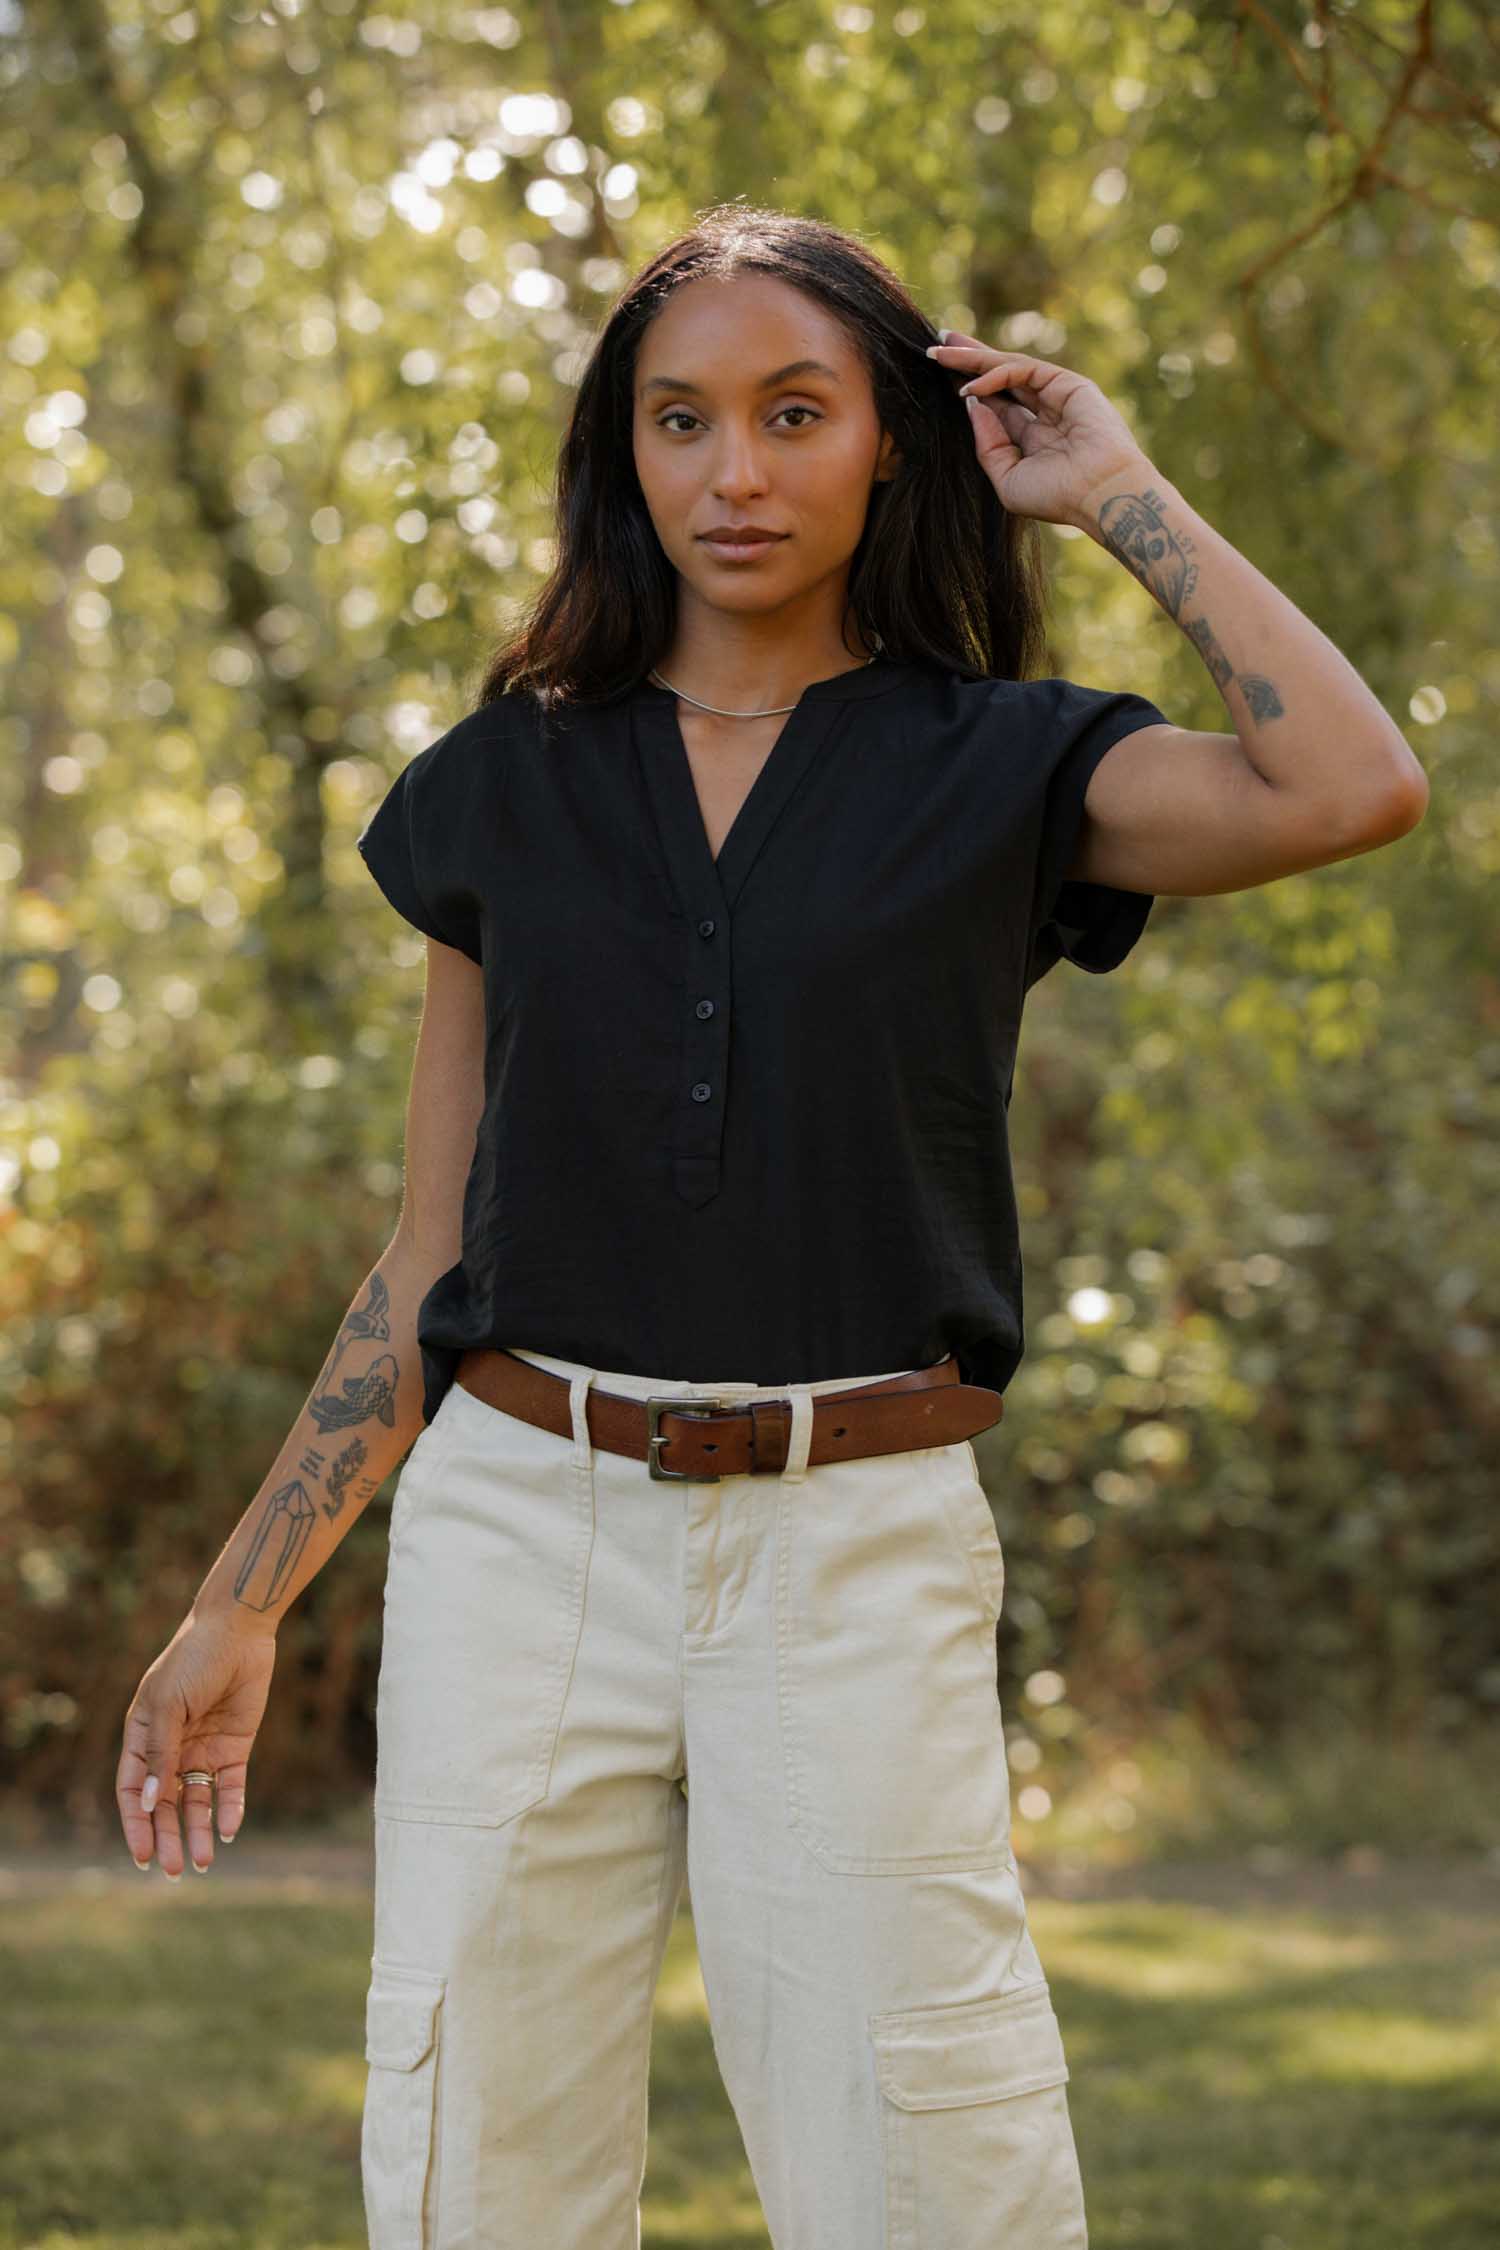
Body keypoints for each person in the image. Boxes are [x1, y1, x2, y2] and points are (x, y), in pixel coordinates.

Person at [116, 205, 1426, 2248]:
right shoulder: (506, 785)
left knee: (933, 2159)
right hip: (518, 1530)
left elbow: (1352, 784)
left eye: (794, 413)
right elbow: (429, 1252)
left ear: (892, 439)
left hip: (858, 1535)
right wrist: (244, 1601)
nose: (734, 471)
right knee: (477, 2162)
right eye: (682, 420)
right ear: (621, 457)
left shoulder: (1006, 764)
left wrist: (1118, 493)